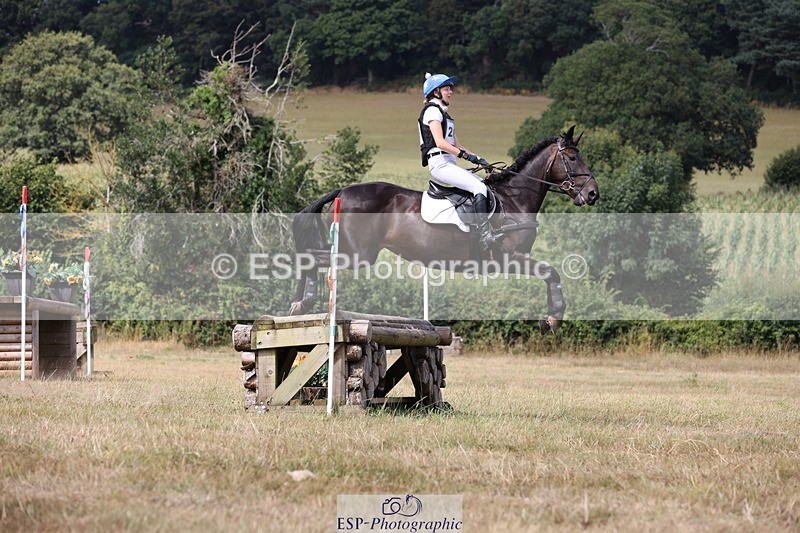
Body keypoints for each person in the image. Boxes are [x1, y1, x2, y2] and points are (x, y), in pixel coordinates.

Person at [418, 72, 497, 251]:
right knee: (479, 188)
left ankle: (473, 228)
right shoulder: (432, 111)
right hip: (439, 163)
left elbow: (458, 145)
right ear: (436, 92)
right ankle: (484, 234)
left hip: (449, 162)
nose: (451, 92)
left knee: (484, 185)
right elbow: (440, 143)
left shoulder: (446, 116)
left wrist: (479, 159)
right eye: (447, 89)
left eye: (450, 89)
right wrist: (464, 156)